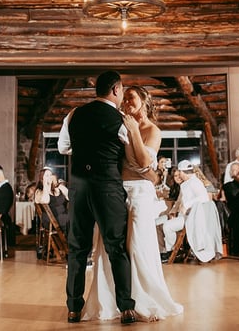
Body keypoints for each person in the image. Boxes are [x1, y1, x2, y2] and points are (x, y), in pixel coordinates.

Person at [84, 84, 182, 322]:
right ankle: (115, 303)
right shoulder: (119, 127)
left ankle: (143, 301)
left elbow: (142, 160)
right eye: (124, 99)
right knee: (111, 247)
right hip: (116, 190)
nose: (127, 103)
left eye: (132, 99)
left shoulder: (152, 130)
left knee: (137, 245)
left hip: (140, 193)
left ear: (144, 101)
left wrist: (134, 132)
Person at [57, 70, 136, 325]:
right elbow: (129, 154)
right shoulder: (121, 120)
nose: (122, 95)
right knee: (116, 248)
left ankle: (72, 309)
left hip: (79, 188)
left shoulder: (73, 115)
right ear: (115, 89)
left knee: (77, 250)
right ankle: (126, 307)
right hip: (108, 188)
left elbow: (63, 148)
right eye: (122, 90)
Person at [35, 167, 70, 234]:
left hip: (63, 217)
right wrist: (46, 184)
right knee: (74, 220)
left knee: (77, 216)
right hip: (51, 220)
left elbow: (69, 197)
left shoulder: (56, 189)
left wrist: (58, 185)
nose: (50, 177)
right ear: (42, 178)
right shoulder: (39, 192)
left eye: (51, 175)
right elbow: (46, 200)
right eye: (47, 175)